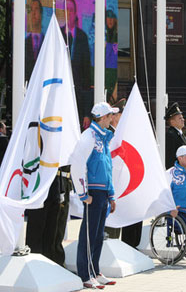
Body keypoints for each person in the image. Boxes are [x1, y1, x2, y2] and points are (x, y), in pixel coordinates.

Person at [70, 102, 118, 289]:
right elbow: (77, 165)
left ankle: (95, 271)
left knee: (98, 235)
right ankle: (85, 274)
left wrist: (111, 195)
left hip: (103, 192)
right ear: (103, 117)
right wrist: (83, 194)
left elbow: (108, 168)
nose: (112, 118)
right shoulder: (88, 136)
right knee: (89, 234)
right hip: (93, 192)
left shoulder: (104, 138)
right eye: (110, 115)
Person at [25, 166, 69, 267]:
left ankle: (51, 262)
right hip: (39, 181)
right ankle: (35, 264)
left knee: (53, 229)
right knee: (38, 227)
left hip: (55, 182)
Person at [62, 0, 92, 130]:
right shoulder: (58, 35)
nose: (68, 13)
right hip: (62, 95)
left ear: (75, 13)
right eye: (66, 10)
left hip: (79, 96)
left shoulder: (82, 37)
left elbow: (87, 76)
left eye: (71, 10)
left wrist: (87, 113)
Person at [104, 98, 125, 239]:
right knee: (109, 218)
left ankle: (115, 241)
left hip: (119, 180)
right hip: (109, 179)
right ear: (115, 116)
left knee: (117, 217)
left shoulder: (119, 133)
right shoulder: (108, 134)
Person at [25, 0, 44, 81]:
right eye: (31, 10)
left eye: (36, 9)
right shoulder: (24, 43)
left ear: (41, 13)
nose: (33, 13)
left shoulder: (47, 42)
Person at [165, 102, 186, 169]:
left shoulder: (180, 134)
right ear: (172, 122)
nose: (183, 120)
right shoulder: (171, 135)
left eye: (182, 118)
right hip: (176, 171)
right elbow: (170, 156)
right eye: (180, 118)